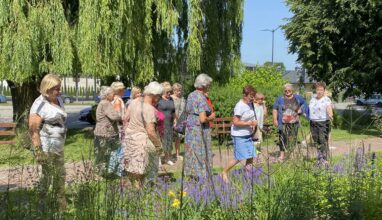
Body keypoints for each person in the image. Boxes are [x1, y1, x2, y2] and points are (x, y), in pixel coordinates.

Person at [29, 73, 67, 210]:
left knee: (60, 176)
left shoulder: (59, 100)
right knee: (45, 178)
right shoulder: (39, 104)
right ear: (47, 88)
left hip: (58, 148)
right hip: (46, 149)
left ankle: (60, 205)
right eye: (56, 88)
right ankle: (41, 208)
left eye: (59, 87)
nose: (60, 91)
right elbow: (33, 130)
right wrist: (39, 152)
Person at [123, 82, 163, 189]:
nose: (159, 99)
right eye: (159, 96)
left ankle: (136, 195)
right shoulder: (149, 109)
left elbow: (125, 119)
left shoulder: (134, 101)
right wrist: (159, 146)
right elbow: (150, 131)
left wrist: (128, 132)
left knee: (134, 171)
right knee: (145, 171)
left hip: (130, 139)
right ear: (154, 95)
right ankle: (144, 195)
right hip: (142, 142)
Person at [221, 85, 257, 183]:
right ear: (244, 95)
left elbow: (250, 116)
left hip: (247, 134)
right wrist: (249, 123)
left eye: (253, 96)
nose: (252, 98)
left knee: (251, 155)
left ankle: (248, 176)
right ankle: (224, 172)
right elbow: (235, 122)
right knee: (238, 157)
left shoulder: (250, 104)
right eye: (251, 96)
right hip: (239, 135)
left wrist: (253, 123)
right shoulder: (240, 106)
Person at [184, 73, 215, 178]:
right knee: (200, 150)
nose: (209, 86)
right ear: (204, 85)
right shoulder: (201, 98)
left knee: (192, 150)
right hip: (199, 128)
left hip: (190, 127)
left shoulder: (191, 95)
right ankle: (201, 174)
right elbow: (202, 119)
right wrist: (211, 117)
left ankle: (192, 173)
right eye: (209, 85)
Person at [273, 83, 308, 161]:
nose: (287, 91)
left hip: (294, 123)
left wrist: (301, 110)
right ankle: (282, 155)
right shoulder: (280, 98)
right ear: (283, 91)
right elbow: (275, 109)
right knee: (282, 138)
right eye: (285, 90)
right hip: (282, 123)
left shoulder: (298, 98)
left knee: (292, 138)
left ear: (292, 90)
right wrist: (275, 119)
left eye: (289, 90)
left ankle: (291, 154)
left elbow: (305, 103)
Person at [94, 86, 121, 177]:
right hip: (106, 133)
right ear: (107, 95)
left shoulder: (102, 103)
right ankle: (102, 174)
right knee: (105, 153)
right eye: (112, 93)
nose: (114, 95)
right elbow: (114, 116)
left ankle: (101, 173)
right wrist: (119, 114)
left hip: (100, 132)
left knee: (101, 153)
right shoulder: (106, 103)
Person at [309, 81, 333, 160]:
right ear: (316, 90)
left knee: (322, 140)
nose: (319, 91)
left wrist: (330, 114)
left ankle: (325, 159)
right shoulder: (313, 99)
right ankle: (320, 157)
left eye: (321, 90)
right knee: (316, 140)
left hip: (323, 122)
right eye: (318, 89)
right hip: (313, 122)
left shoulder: (327, 100)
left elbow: (329, 108)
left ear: (324, 90)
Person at [157, 82, 176, 165]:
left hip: (169, 123)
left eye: (170, 92)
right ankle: (159, 159)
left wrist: (175, 120)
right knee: (161, 142)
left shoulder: (171, 99)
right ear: (163, 92)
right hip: (160, 124)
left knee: (169, 140)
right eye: (167, 92)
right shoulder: (159, 100)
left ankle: (167, 158)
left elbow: (173, 111)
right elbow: (155, 110)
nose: (169, 93)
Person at [171, 83, 186, 160]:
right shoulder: (170, 98)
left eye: (180, 90)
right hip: (172, 120)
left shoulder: (183, 98)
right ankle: (169, 155)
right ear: (173, 90)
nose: (179, 92)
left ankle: (177, 154)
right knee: (170, 137)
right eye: (177, 90)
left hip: (181, 120)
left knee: (178, 137)